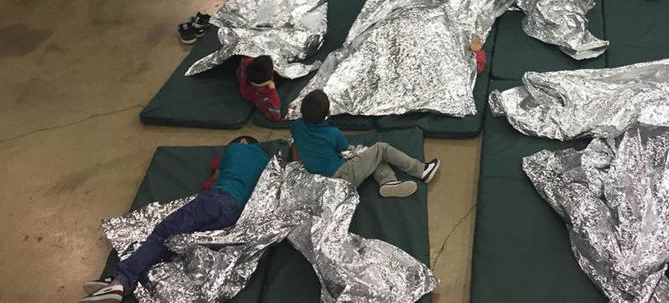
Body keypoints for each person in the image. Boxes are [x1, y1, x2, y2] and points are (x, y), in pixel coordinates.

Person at [79, 136, 269, 303]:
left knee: (163, 233)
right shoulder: (265, 160)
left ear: (242, 141)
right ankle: (124, 280)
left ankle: (120, 281)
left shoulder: (237, 149)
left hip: (217, 199)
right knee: (180, 245)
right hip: (235, 216)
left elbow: (212, 179)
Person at [291, 90, 440, 198]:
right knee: (381, 149)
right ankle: (421, 170)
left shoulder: (296, 126)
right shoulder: (333, 133)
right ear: (327, 113)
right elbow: (346, 150)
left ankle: (388, 182)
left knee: (372, 157)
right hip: (341, 177)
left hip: (319, 177)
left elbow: (299, 146)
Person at [237, 55, 281, 122]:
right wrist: (272, 88)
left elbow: (248, 62)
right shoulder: (259, 96)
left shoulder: (245, 63)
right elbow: (275, 116)